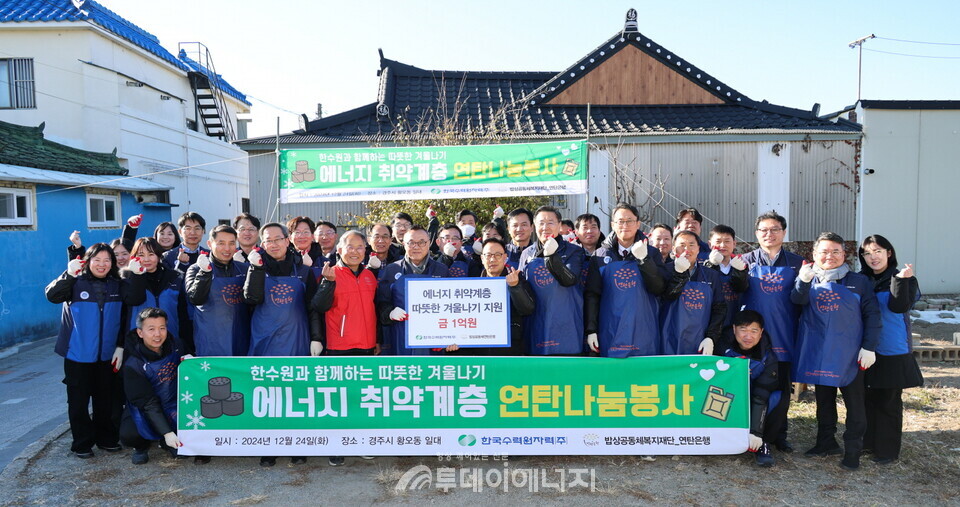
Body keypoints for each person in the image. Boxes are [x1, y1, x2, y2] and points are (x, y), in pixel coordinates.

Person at [792, 232, 880, 471]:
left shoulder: (859, 282)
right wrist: (802, 280)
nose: (829, 256)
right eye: (824, 251)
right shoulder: (809, 277)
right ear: (814, 254)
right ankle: (825, 442)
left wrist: (869, 347)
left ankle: (853, 450)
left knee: (855, 403)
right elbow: (796, 301)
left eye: (835, 251)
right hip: (819, 351)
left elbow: (872, 315)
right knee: (824, 401)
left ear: (844, 254)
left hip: (851, 354)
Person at [45, 243, 133, 459]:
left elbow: (124, 320)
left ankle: (106, 440)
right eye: (97, 260)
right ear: (88, 261)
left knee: (105, 401)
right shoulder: (75, 281)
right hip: (78, 354)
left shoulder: (117, 284)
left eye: (107, 260)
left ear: (112, 263)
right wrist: (68, 273)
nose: (102, 264)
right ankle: (82, 444)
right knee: (78, 403)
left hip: (107, 355)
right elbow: (52, 295)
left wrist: (120, 346)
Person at [243, 222, 318, 466]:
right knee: (267, 394)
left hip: (296, 338)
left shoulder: (304, 270)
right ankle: (269, 446)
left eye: (278, 239)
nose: (273, 244)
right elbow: (251, 298)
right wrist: (254, 269)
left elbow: (313, 308)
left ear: (288, 240)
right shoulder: (254, 266)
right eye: (268, 240)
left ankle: (297, 444)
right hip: (265, 339)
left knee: (297, 393)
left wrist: (317, 338)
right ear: (262, 244)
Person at [311, 230, 379, 466]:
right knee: (339, 400)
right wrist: (328, 284)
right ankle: (337, 446)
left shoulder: (370, 275)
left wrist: (377, 339)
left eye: (360, 247)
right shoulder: (331, 273)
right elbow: (318, 306)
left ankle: (363, 443)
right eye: (350, 246)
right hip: (340, 347)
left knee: (364, 399)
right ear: (339, 250)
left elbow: (375, 310)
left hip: (367, 346)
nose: (355, 251)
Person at [739, 211, 804, 453]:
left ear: (784, 233)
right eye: (764, 230)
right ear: (756, 234)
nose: (769, 234)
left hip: (785, 333)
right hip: (752, 337)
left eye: (775, 229)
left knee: (782, 390)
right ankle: (750, 433)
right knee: (752, 390)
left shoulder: (798, 263)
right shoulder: (744, 261)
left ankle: (779, 435)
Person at [858, 234, 923, 465]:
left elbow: (899, 306)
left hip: (892, 348)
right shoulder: (861, 280)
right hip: (865, 347)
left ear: (889, 253)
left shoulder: (904, 278)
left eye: (877, 251)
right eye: (867, 253)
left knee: (888, 400)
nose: (872, 257)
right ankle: (867, 442)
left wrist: (901, 280)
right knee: (866, 397)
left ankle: (886, 450)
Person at [585, 203, 665, 357]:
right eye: (620, 221)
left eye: (630, 221)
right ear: (613, 225)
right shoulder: (600, 256)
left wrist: (644, 260)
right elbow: (592, 295)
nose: (625, 225)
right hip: (611, 329)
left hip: (644, 330)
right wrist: (591, 330)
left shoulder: (652, 253)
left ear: (638, 224)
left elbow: (658, 288)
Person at [448, 238, 535, 356]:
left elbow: (527, 309)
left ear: (505, 257)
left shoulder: (517, 280)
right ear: (482, 258)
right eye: (488, 255)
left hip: (510, 352)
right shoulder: (471, 288)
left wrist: (515, 287)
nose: (492, 259)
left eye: (497, 255)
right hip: (479, 355)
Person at [518, 206, 587, 356]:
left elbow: (569, 279)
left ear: (559, 225)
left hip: (566, 325)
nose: (545, 227)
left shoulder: (573, 251)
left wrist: (551, 256)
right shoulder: (526, 254)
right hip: (537, 324)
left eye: (550, 222)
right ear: (534, 226)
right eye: (541, 223)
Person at [119, 307, 184, 465]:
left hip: (174, 403)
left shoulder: (176, 344)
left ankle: (164, 441)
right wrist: (167, 432)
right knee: (130, 434)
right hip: (146, 406)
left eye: (162, 328)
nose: (157, 334)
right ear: (140, 333)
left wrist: (190, 361)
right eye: (151, 329)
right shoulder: (133, 364)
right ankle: (142, 447)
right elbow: (148, 403)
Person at [715, 310, 780, 467]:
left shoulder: (768, 356)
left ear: (761, 332)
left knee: (777, 398)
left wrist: (756, 432)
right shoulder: (720, 347)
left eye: (754, 331)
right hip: (725, 398)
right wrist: (731, 371)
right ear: (734, 329)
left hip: (753, 397)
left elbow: (762, 392)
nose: (748, 336)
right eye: (743, 330)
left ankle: (762, 443)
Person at [375, 226, 450, 355]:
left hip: (432, 338)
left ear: (429, 243)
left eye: (421, 242)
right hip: (399, 336)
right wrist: (390, 313)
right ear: (403, 244)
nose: (416, 247)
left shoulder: (441, 270)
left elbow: (451, 307)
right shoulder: (392, 270)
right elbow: (381, 302)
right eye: (411, 243)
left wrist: (450, 336)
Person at [185, 225, 250, 357]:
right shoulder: (196, 269)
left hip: (242, 336)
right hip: (210, 339)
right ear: (210, 244)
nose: (227, 248)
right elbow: (195, 298)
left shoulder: (245, 269)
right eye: (221, 243)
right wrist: (205, 273)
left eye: (231, 243)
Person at [660, 230, 725, 355]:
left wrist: (711, 337)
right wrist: (679, 273)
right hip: (668, 339)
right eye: (682, 245)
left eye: (691, 245)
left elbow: (719, 309)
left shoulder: (711, 275)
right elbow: (665, 298)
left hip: (700, 340)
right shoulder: (664, 271)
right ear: (674, 249)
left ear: (698, 249)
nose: (687, 249)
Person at [124, 237, 191, 353]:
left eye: (151, 254)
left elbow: (183, 315)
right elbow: (135, 300)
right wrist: (137, 275)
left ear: (159, 256)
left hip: (171, 341)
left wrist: (186, 345)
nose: (146, 259)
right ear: (134, 257)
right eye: (141, 255)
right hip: (138, 344)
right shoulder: (127, 278)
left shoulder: (175, 277)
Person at [704, 225, 749, 327]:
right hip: (710, 324)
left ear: (734, 244)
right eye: (718, 241)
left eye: (727, 241)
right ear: (710, 244)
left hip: (735, 323)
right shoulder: (703, 268)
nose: (723, 245)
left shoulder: (741, 265)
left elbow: (743, 288)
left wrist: (741, 272)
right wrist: (711, 265)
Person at [68, 214, 141, 264]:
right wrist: (77, 247)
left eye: (124, 254)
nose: (120, 258)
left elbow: (126, 245)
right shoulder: (107, 276)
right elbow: (80, 271)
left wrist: (132, 228)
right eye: (116, 255)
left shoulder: (140, 273)